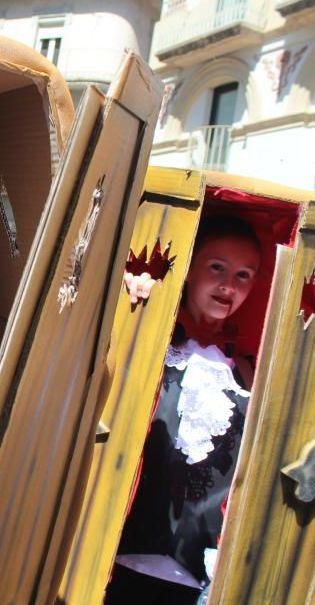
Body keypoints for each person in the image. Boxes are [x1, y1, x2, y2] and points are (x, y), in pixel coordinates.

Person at [111, 216, 261, 605]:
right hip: (114, 555)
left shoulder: (245, 371)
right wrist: (128, 299)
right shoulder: (146, 334)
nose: (230, 284)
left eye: (245, 275)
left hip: (194, 577)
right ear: (191, 267)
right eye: (218, 267)